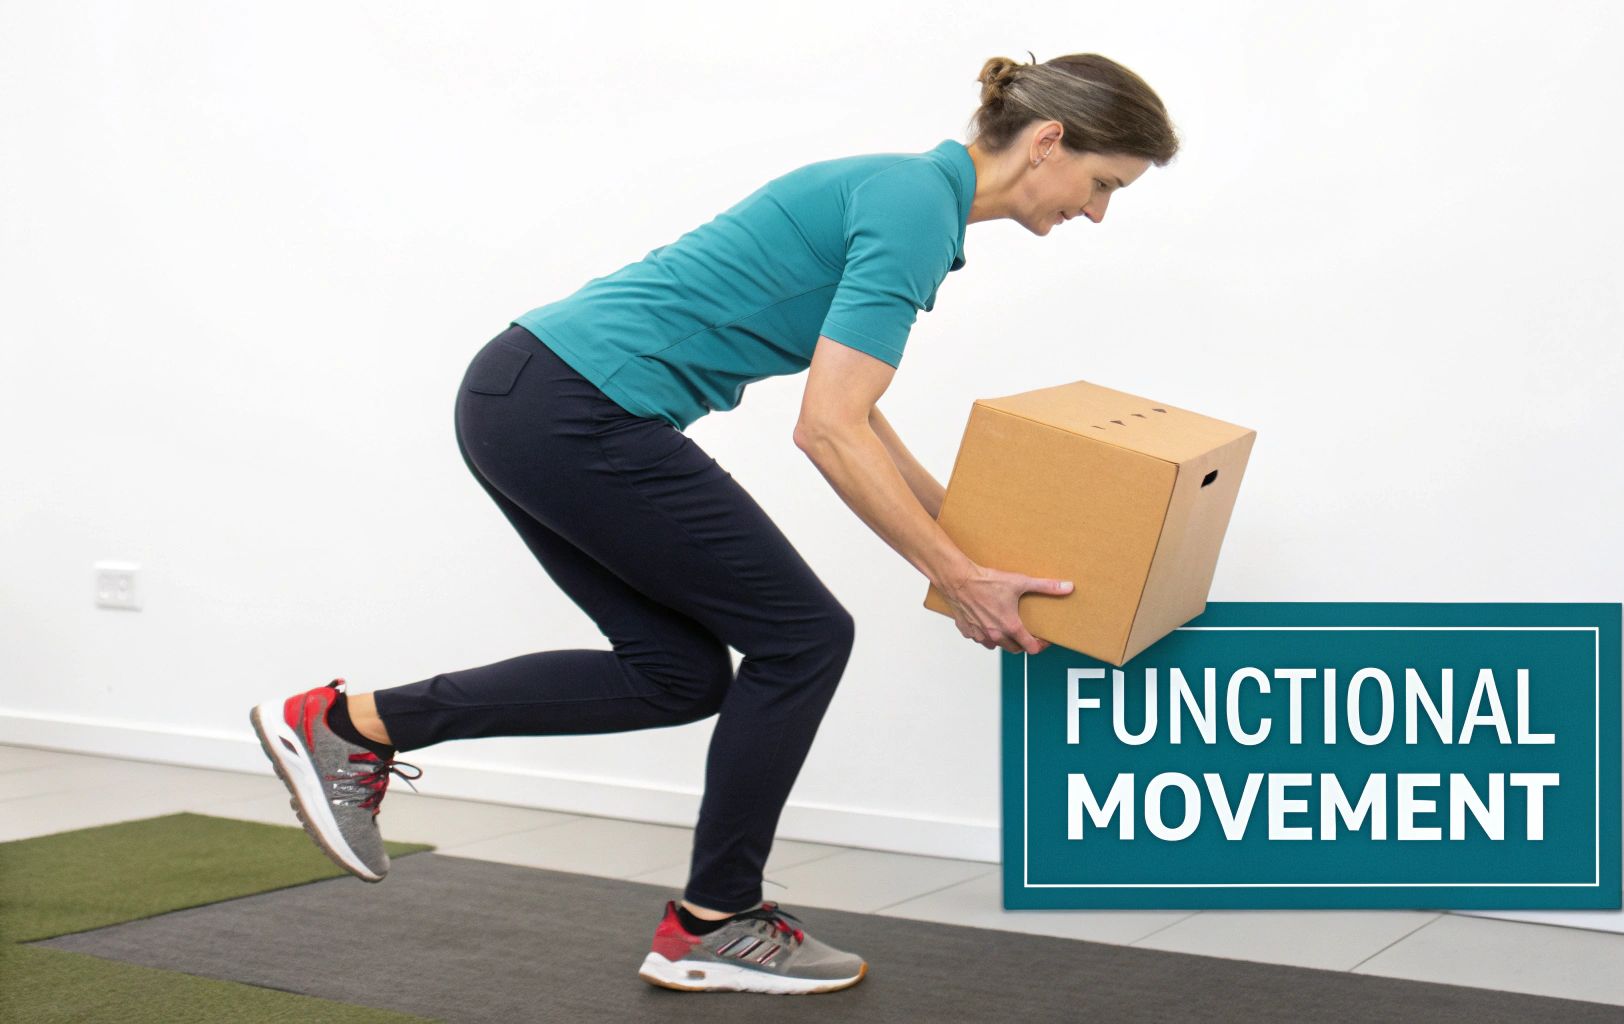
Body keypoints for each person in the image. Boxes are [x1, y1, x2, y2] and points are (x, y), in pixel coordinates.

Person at [249, 51, 1178, 996]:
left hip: (528, 395)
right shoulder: (912, 211)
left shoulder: (902, 193)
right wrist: (960, 576)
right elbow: (828, 428)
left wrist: (967, 543)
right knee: (806, 637)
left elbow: (854, 408)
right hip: (576, 407)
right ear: (1049, 142)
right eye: (1102, 184)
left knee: (678, 675)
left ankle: (351, 725)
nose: (1096, 212)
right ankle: (716, 920)